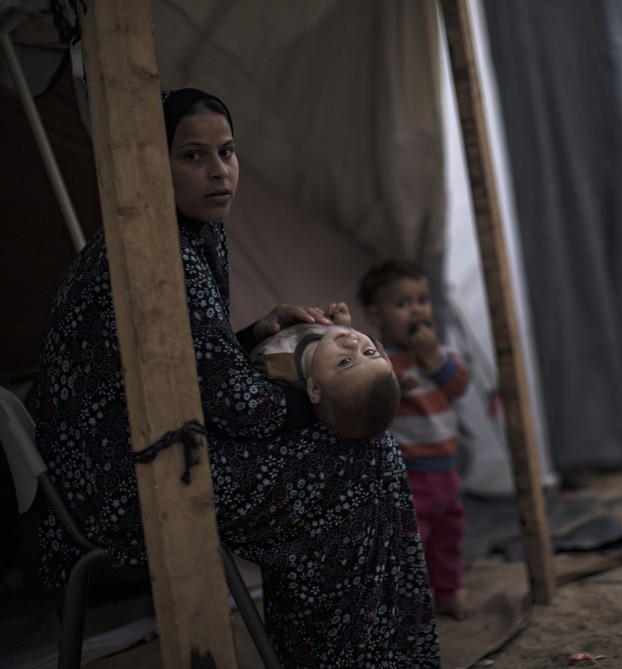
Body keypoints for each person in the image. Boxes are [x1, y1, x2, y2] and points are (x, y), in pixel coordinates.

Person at [33, 88, 440, 668]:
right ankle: (350, 658)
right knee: (361, 460)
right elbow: (241, 408)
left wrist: (254, 336)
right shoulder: (156, 250)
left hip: (158, 448)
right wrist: (322, 390)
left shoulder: (193, 235)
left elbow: (189, 364)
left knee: (358, 459)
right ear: (150, 162)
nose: (219, 171)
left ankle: (357, 655)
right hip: (124, 482)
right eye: (192, 156)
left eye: (227, 152)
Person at [358, 260, 472, 619]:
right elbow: (367, 406)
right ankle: (407, 603)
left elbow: (458, 387)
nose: (418, 310)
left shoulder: (436, 352)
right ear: (376, 315)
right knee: (410, 542)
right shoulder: (378, 359)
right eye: (403, 304)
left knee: (448, 534)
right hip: (409, 471)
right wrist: (392, 387)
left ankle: (448, 591)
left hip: (445, 467)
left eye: (422, 300)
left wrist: (434, 359)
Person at [249, 302, 401, 440]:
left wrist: (256, 334)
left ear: (314, 388)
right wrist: (344, 326)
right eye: (368, 353)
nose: (354, 342)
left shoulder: (275, 366)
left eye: (345, 362)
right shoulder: (355, 346)